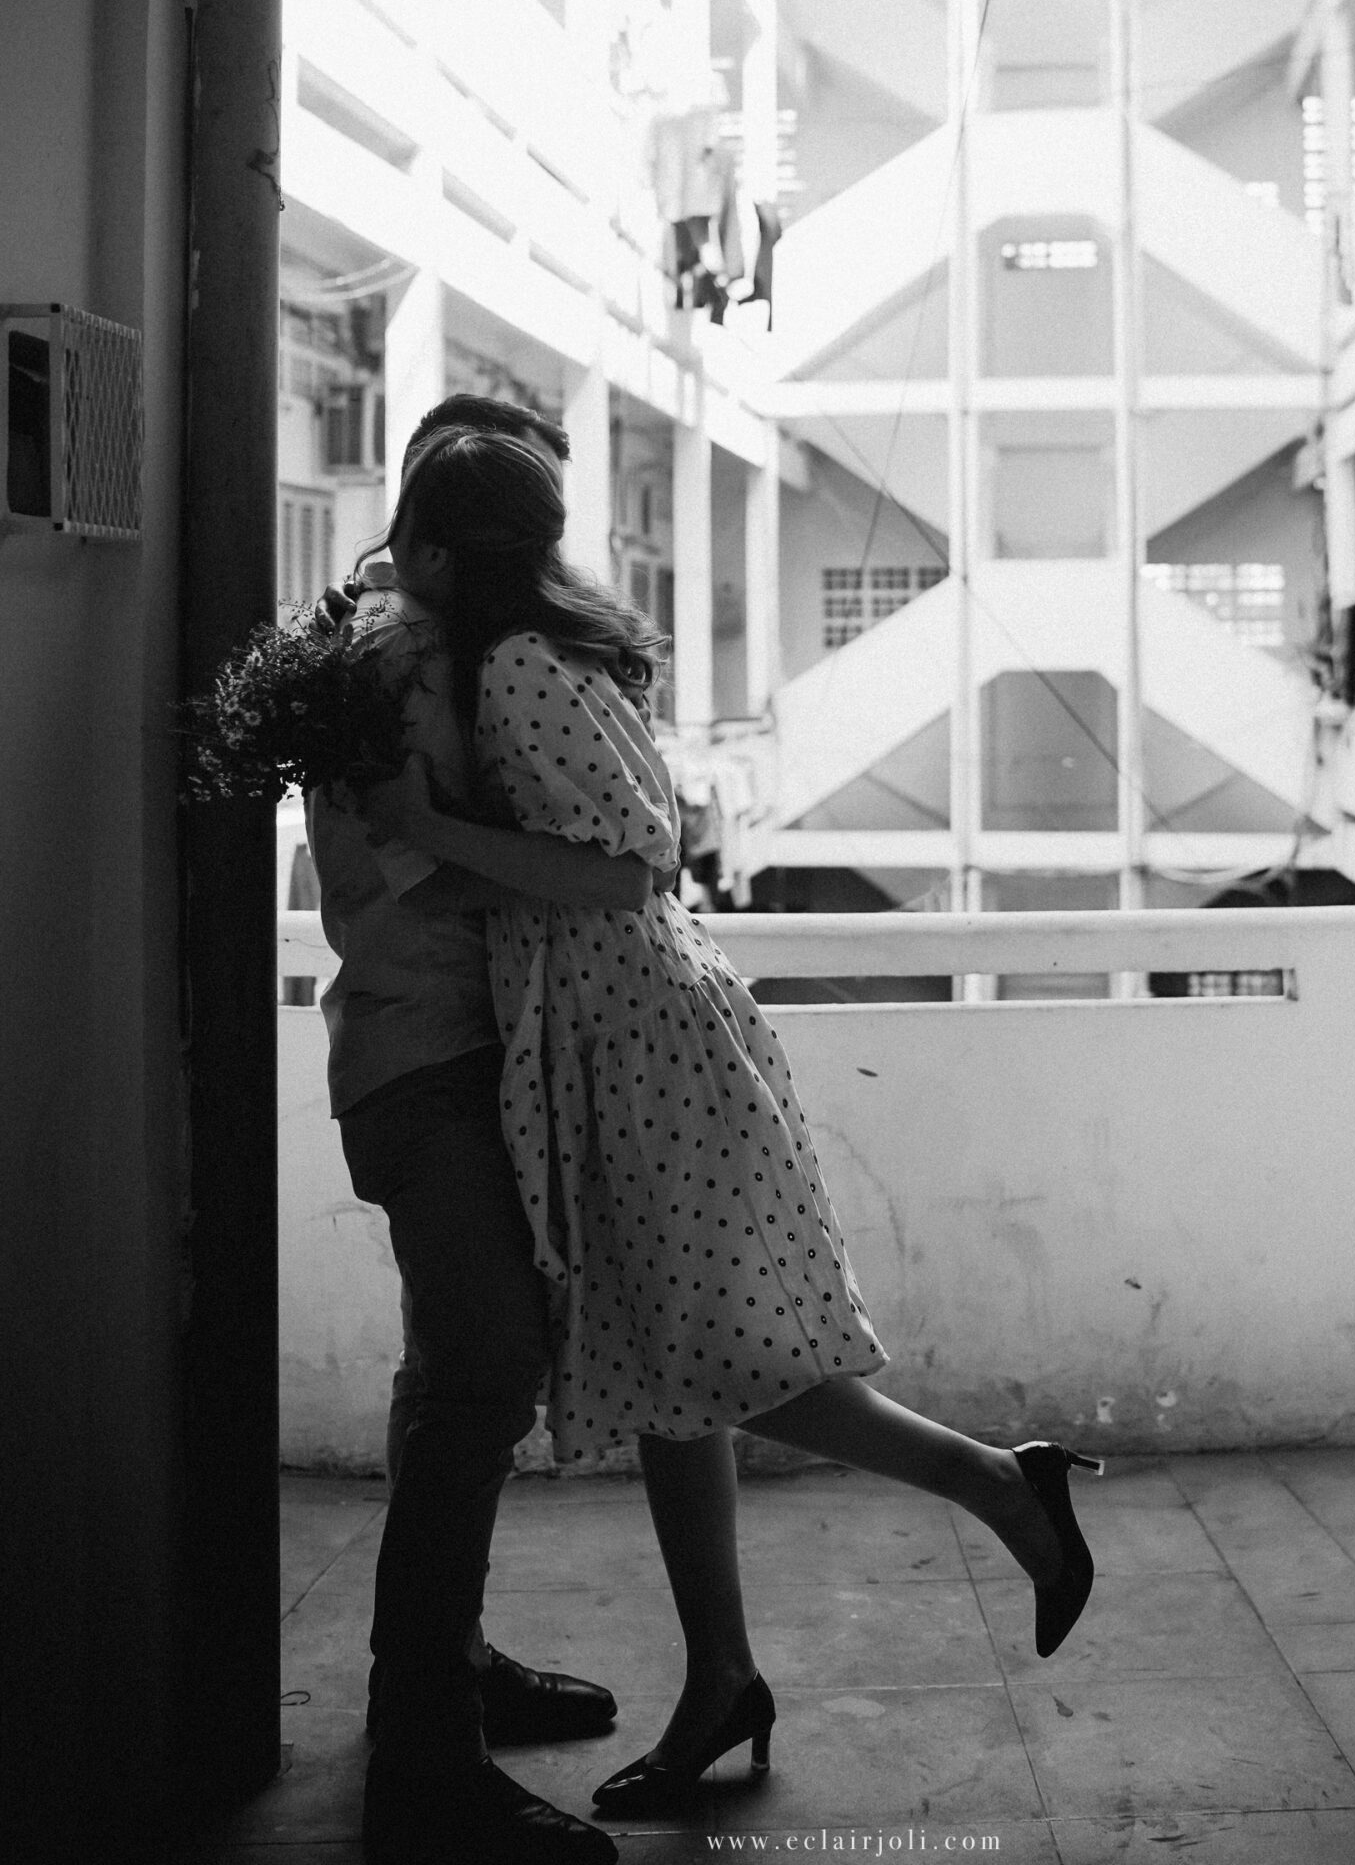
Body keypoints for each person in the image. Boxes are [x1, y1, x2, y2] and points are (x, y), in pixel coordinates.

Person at [362, 429, 1099, 1822]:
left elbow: (620, 866)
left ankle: (1001, 1487)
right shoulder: (544, 651)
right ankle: (725, 1677)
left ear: (443, 548)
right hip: (627, 1029)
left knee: (710, 1357)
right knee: (669, 1362)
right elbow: (582, 859)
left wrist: (424, 829)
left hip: (636, 1040)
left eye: (408, 533)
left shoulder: (515, 665)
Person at [308, 394, 645, 1865]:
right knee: (487, 1372)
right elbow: (429, 865)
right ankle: (424, 1761)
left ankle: (445, 1675)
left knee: (450, 1369)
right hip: (423, 1057)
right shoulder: (396, 660)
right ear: (437, 540)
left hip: (446, 1051)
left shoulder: (415, 637)